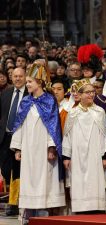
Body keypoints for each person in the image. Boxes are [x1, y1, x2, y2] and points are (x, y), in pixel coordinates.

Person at [10, 63, 65, 224]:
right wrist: (18, 148)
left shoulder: (49, 101)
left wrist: (51, 147)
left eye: (29, 82)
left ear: (39, 82)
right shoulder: (25, 101)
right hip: (28, 147)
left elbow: (53, 126)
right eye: (26, 82)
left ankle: (43, 211)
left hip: (43, 148)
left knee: (44, 178)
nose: (27, 84)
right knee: (29, 178)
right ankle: (27, 212)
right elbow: (18, 125)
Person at [62, 79, 106, 213]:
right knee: (79, 179)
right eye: (87, 92)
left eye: (93, 92)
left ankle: (96, 208)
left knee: (95, 179)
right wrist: (66, 156)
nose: (91, 95)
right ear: (79, 95)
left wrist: (104, 155)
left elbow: (103, 135)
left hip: (94, 153)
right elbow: (67, 136)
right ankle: (80, 208)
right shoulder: (73, 113)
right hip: (77, 153)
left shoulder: (100, 112)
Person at [0, 68, 28, 216]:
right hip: (5, 138)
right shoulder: (5, 93)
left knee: (18, 171)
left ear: (25, 77)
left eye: (20, 76)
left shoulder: (30, 94)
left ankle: (16, 203)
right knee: (5, 170)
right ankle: (12, 199)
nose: (17, 79)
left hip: (23, 138)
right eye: (15, 76)